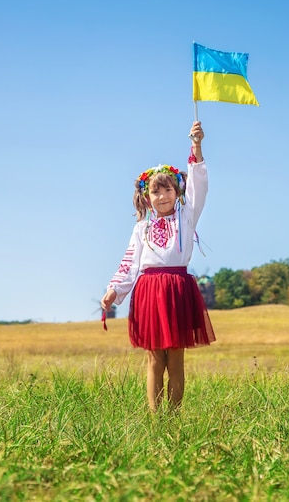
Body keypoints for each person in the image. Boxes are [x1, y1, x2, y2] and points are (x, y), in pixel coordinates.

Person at [101, 121, 216, 411]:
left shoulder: (187, 217)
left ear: (178, 193)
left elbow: (199, 185)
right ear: (146, 197)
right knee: (154, 358)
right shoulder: (141, 228)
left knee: (175, 357)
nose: (162, 196)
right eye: (156, 192)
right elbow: (129, 262)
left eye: (168, 190)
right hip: (149, 292)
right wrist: (113, 290)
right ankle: (156, 420)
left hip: (177, 290)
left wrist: (197, 147)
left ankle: (174, 419)